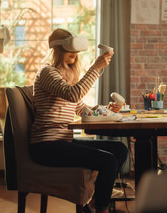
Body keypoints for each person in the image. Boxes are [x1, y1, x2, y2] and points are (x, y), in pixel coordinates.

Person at [29, 28, 128, 213]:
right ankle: (102, 209)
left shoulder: (64, 77)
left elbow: (80, 107)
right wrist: (95, 68)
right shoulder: (47, 73)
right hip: (46, 146)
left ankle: (95, 202)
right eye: (69, 50)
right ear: (57, 50)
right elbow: (73, 95)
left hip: (62, 141)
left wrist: (105, 109)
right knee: (108, 162)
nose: (74, 54)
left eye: (75, 51)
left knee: (119, 149)